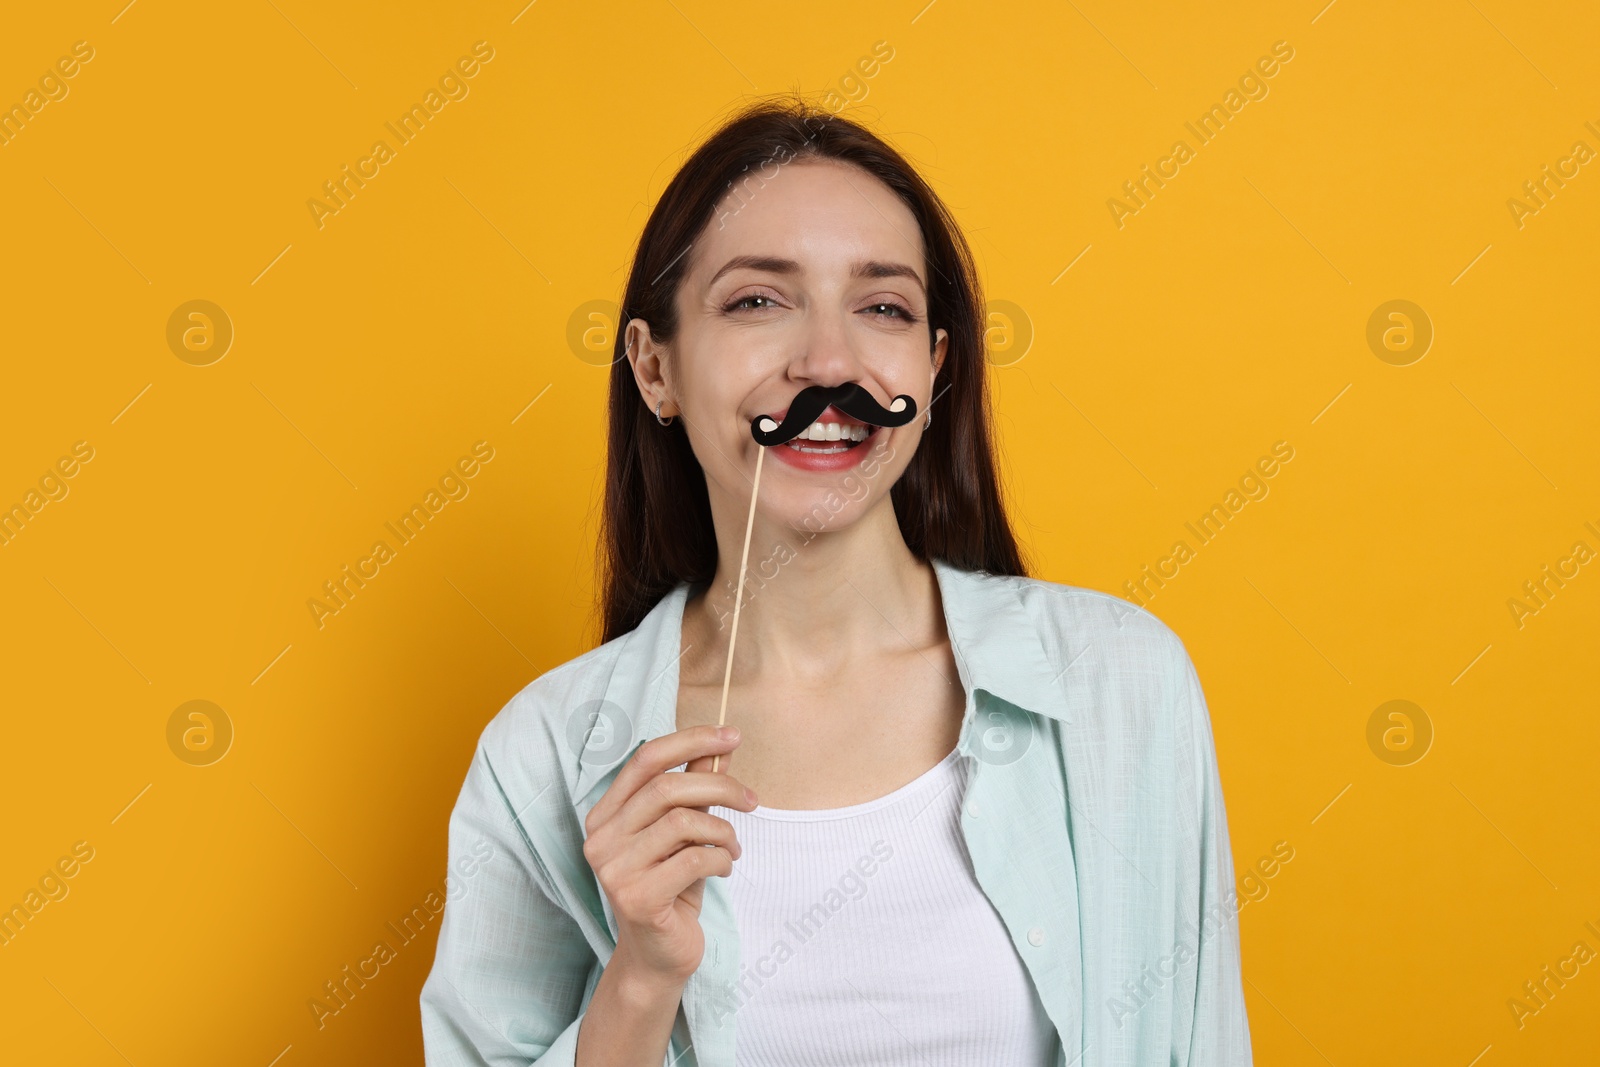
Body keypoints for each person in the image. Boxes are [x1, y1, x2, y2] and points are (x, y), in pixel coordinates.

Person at [419, 95, 1253, 1066]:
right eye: (757, 300)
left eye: (883, 307)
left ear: (933, 372)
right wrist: (639, 981)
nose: (828, 361)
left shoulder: (1119, 684)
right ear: (655, 368)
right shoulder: (541, 756)